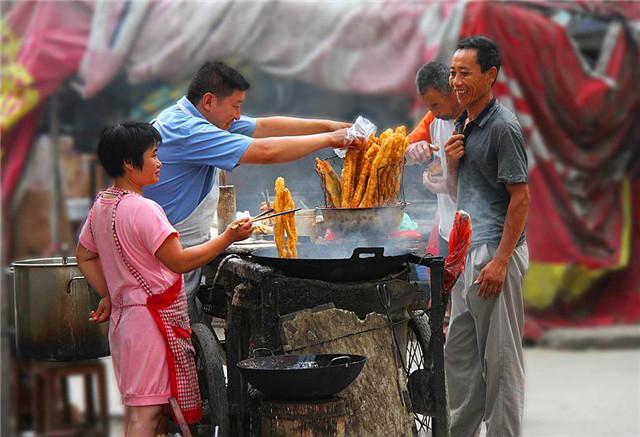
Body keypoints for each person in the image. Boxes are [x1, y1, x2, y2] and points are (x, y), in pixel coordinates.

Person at [76, 123, 253, 436]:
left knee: (147, 414)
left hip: (125, 324)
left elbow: (85, 255)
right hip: (149, 326)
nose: (160, 163)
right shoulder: (144, 210)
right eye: (154, 155)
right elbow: (180, 261)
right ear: (129, 163)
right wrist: (228, 237)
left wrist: (109, 293)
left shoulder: (102, 205)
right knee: (144, 418)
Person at [144, 61, 356, 321]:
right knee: (169, 337)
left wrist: (331, 126)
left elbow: (264, 127)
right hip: (167, 258)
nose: (237, 116)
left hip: (181, 249)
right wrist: (330, 139)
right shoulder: (187, 130)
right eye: (236, 106)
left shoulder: (198, 117)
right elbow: (267, 151)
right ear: (209, 101)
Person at [444, 36, 530, 437]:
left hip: (496, 253)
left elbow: (521, 199)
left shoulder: (503, 127)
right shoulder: (464, 122)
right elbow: (455, 189)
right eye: (452, 72)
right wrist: (449, 162)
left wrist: (499, 260)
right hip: (467, 253)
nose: (455, 81)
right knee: (459, 354)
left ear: (490, 75)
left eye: (464, 73)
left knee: (501, 360)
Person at [406, 61, 465, 257]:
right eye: (428, 106)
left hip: (477, 236)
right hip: (447, 232)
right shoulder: (435, 118)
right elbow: (401, 151)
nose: (433, 111)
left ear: (452, 91)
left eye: (436, 104)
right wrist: (413, 150)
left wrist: (442, 186)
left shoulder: (477, 121)